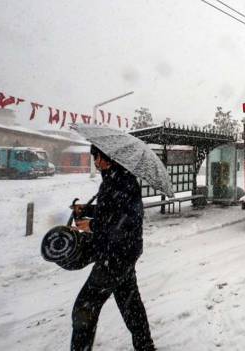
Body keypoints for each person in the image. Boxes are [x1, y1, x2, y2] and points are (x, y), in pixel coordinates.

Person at [70, 145, 155, 351]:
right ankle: (145, 346)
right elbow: (111, 210)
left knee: (85, 306)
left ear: (106, 157)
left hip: (116, 254)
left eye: (96, 157)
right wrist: (87, 209)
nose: (95, 162)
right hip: (121, 253)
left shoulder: (123, 182)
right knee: (130, 304)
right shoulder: (114, 178)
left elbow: (125, 220)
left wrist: (91, 225)